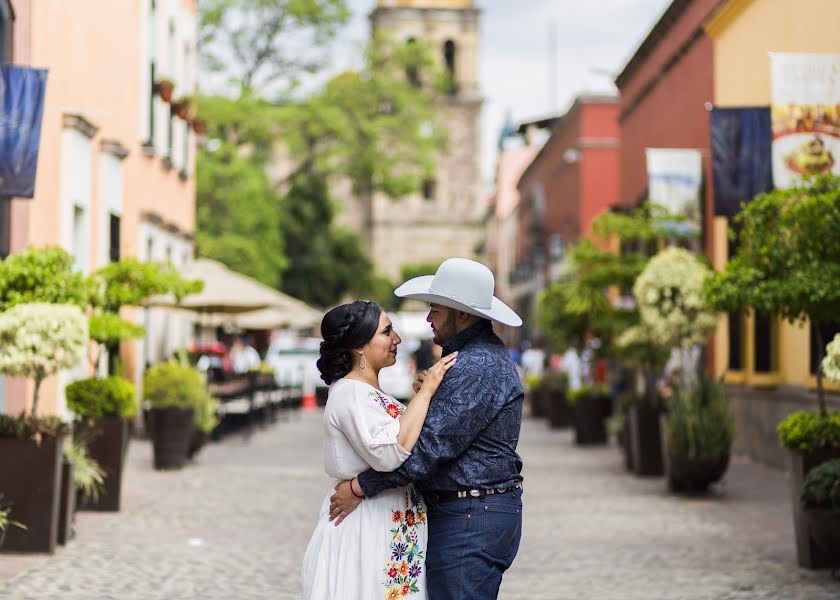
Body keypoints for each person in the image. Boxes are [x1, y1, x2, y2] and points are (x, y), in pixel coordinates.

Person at [329, 258, 525, 600]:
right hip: (469, 513)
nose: (428, 318)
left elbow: (429, 449)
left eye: (435, 309)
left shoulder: (476, 366)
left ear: (461, 315)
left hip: (471, 517)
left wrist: (360, 487)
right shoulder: (466, 360)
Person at [300, 300, 458, 600]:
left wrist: (422, 399)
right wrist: (425, 393)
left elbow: (403, 437)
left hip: (387, 520)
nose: (397, 339)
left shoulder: (367, 393)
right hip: (368, 524)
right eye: (387, 332)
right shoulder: (350, 393)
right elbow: (389, 452)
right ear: (359, 346)